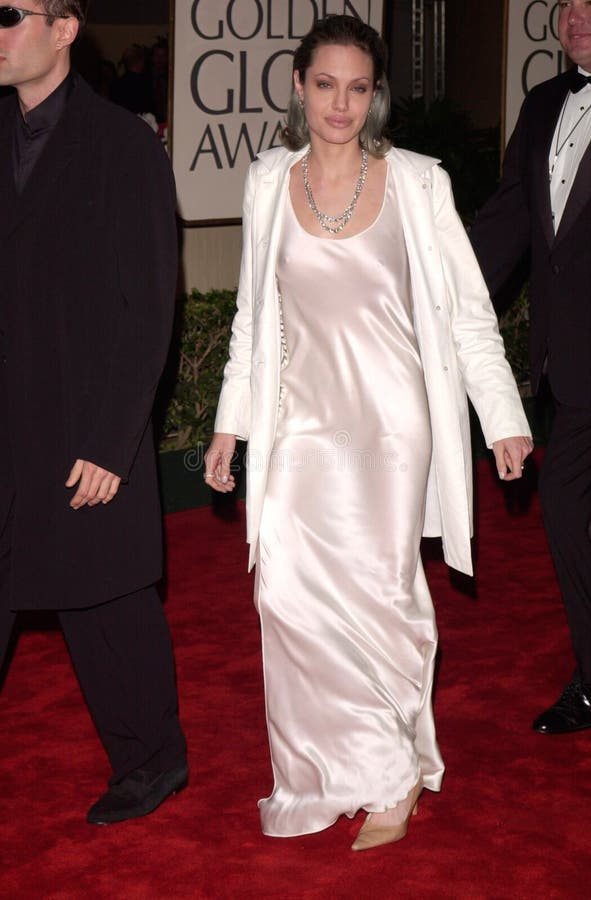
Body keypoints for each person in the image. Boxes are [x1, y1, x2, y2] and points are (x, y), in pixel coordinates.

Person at [205, 15, 532, 851]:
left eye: (357, 88)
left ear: (375, 94)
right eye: (324, 85)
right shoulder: (269, 181)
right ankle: (314, 774)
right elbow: (251, 315)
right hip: (299, 424)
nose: (340, 104)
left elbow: (465, 316)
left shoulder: (418, 183)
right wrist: (229, 425)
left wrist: (501, 417)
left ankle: (392, 773)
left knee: (382, 598)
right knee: (283, 593)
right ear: (298, 87)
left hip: (392, 426)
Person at [0, 1, 188, 824]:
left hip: (80, 429)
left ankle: (154, 762)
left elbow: (149, 308)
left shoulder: (122, 145)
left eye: (7, 13)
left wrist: (114, 442)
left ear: (65, 27)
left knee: (104, 603)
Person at [470, 0, 591, 735]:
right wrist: (436, 307)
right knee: (566, 514)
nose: (575, 13)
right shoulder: (546, 102)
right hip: (569, 367)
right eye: (565, 2)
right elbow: (508, 222)